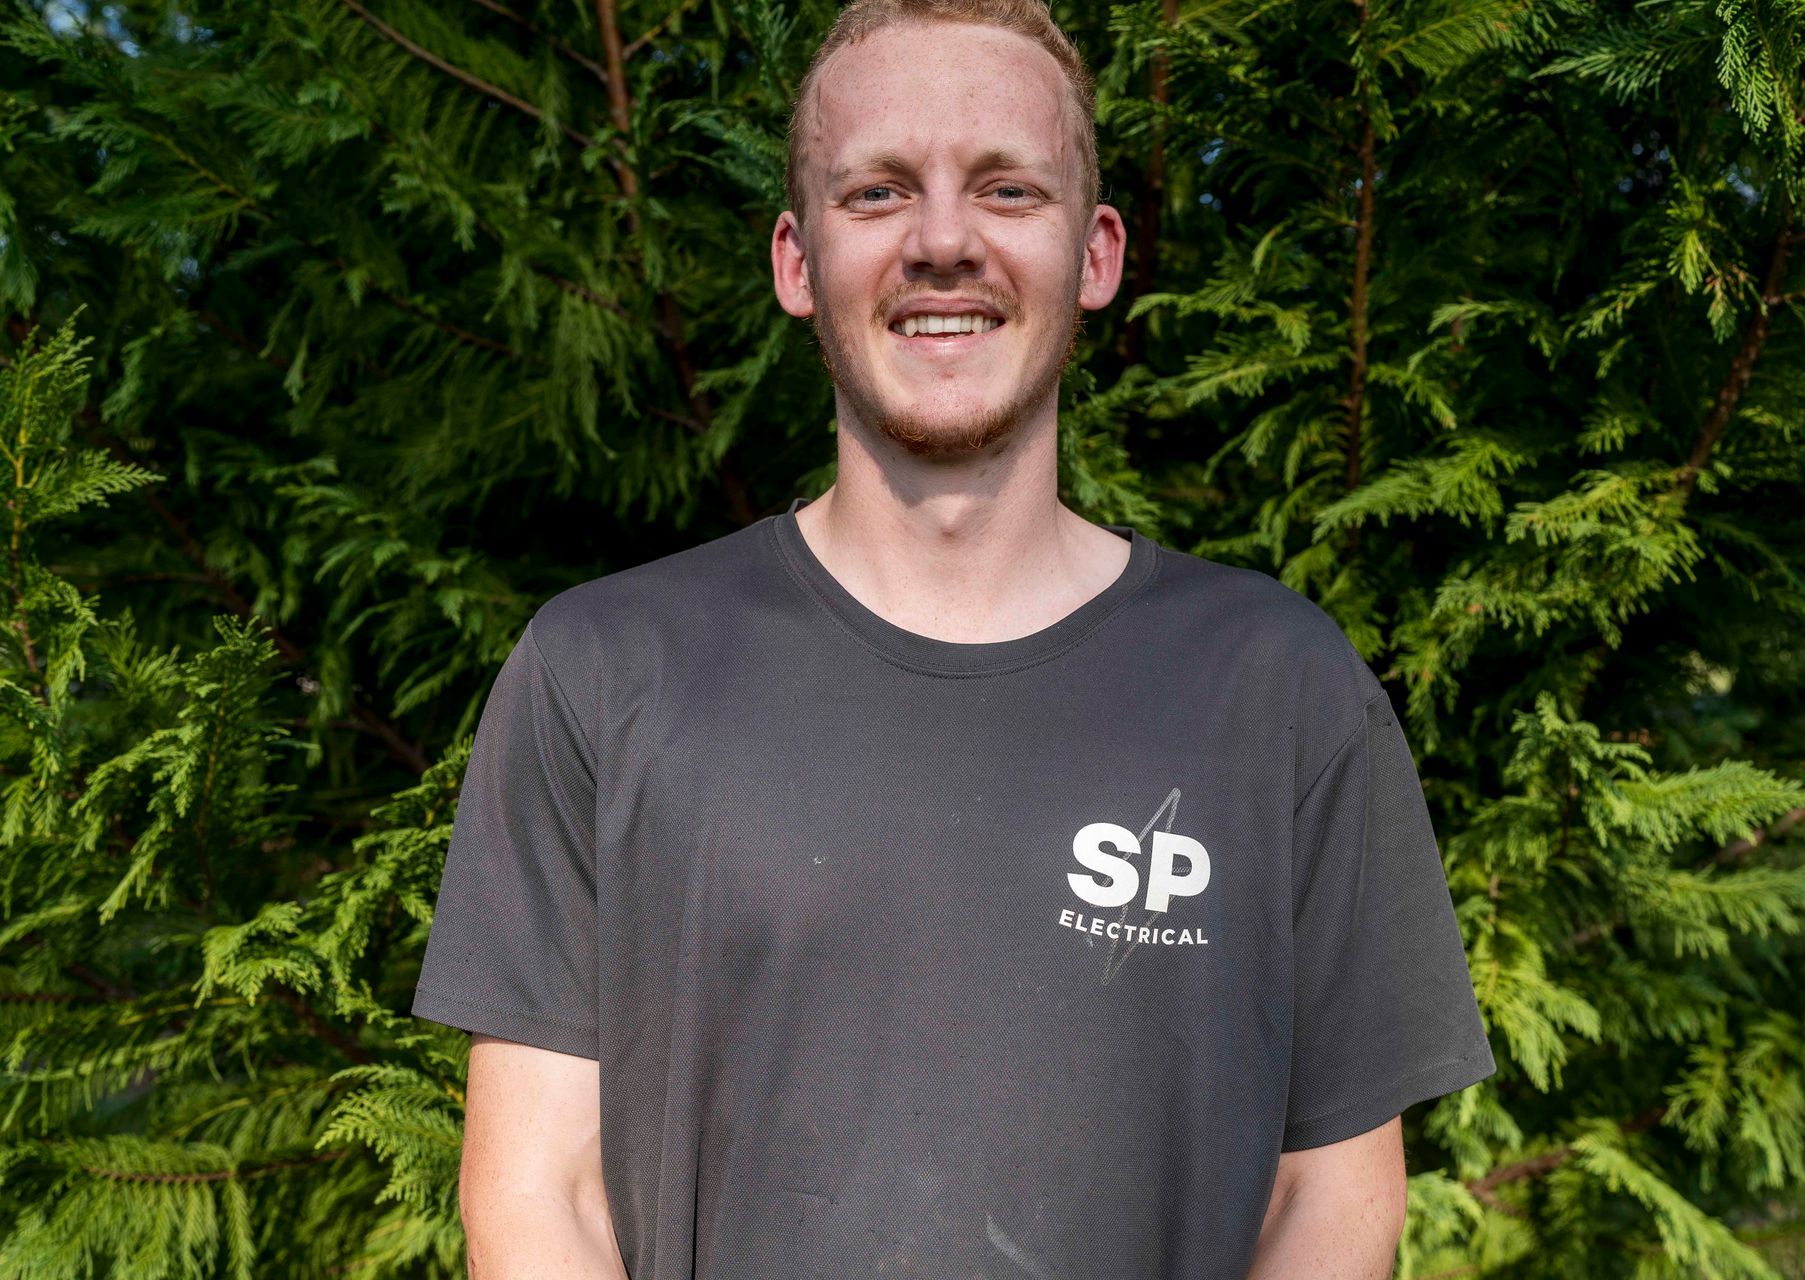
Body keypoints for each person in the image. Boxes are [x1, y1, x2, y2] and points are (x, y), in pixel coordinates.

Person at [410, 0, 1498, 1275]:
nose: (941, 241)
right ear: (795, 260)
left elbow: (1330, 1202)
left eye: (1005, 188)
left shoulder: (1284, 692)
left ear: (1094, 253)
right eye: (877, 192)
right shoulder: (601, 676)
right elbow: (544, 1195)